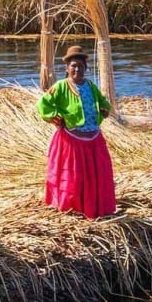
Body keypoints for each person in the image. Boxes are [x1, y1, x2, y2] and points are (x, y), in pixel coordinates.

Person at [36, 45, 116, 219]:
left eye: (80, 66)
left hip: (93, 138)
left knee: (95, 175)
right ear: (67, 68)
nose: (77, 69)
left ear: (86, 68)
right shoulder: (61, 87)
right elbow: (43, 104)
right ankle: (72, 207)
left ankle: (93, 207)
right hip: (72, 140)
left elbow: (103, 102)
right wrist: (56, 117)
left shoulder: (90, 86)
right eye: (73, 66)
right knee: (73, 175)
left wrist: (104, 110)